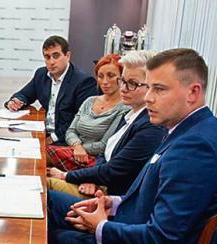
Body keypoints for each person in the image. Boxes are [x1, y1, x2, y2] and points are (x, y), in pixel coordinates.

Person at [8, 48, 217, 244]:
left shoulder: (195, 150)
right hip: (140, 232)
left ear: (193, 92)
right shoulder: (192, 129)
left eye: (159, 89)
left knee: (57, 240)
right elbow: (156, 196)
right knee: (54, 207)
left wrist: (101, 227)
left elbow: (162, 239)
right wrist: (113, 203)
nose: (149, 97)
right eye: (149, 87)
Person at [47, 50, 166, 197]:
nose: (123, 88)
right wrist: (91, 179)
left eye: (132, 84)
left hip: (110, 196)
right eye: (123, 81)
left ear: (152, 87)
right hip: (97, 178)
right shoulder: (131, 114)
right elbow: (105, 154)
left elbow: (114, 169)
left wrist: (66, 176)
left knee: (45, 185)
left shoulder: (150, 126)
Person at [5, 35, 98, 146]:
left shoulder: (83, 81)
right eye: (47, 57)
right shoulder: (41, 74)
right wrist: (16, 101)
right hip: (43, 132)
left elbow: (80, 121)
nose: (51, 62)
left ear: (67, 56)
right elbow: (24, 94)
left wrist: (52, 139)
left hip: (66, 140)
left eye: (56, 56)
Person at [46, 54, 129, 170]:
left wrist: (80, 149)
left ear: (122, 78)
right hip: (73, 150)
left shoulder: (125, 108)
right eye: (100, 76)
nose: (105, 81)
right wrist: (77, 146)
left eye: (111, 76)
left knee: (42, 154)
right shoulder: (89, 101)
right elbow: (71, 130)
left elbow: (104, 145)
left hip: (96, 160)